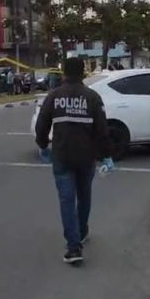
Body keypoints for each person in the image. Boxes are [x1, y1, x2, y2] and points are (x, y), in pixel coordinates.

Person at [35, 58, 114, 265]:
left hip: (62, 157)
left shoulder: (54, 96)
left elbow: (42, 124)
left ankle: (73, 247)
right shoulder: (93, 97)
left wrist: (43, 145)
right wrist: (106, 155)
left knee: (66, 201)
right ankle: (82, 231)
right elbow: (102, 131)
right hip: (86, 158)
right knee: (84, 195)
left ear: (64, 74)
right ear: (83, 74)